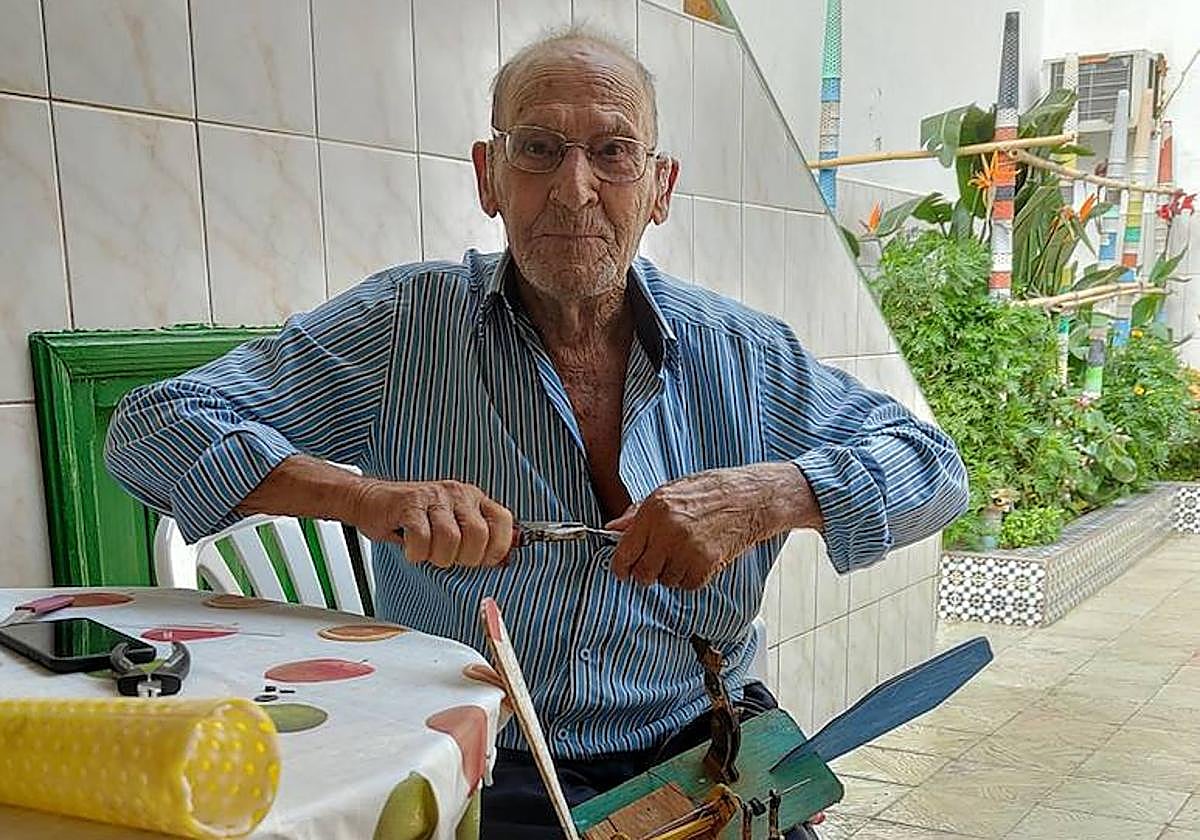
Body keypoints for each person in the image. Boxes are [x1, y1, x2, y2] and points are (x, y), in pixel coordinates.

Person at [105, 26, 968, 839]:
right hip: (478, 749)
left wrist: (773, 494)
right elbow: (150, 429)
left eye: (613, 151)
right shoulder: (404, 328)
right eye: (539, 148)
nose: (574, 188)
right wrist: (365, 499)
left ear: (660, 187)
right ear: (490, 177)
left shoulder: (743, 353)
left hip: (700, 743)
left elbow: (932, 468)